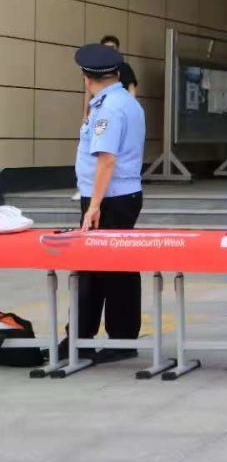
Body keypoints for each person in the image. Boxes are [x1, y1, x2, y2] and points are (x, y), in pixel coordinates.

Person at [69, 42, 146, 363]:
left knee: (108, 270)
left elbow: (106, 159)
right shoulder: (126, 102)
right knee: (107, 268)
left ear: (87, 78)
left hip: (108, 199)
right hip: (118, 196)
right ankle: (84, 337)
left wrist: (93, 206)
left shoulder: (109, 108)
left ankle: (115, 340)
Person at [82, 34, 136, 122]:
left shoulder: (124, 67)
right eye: (106, 49)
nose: (109, 51)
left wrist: (130, 108)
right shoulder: (96, 67)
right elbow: (88, 91)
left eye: (112, 48)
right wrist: (85, 114)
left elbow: (131, 90)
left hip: (119, 109)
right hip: (99, 110)